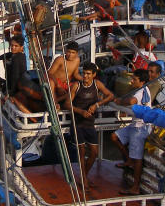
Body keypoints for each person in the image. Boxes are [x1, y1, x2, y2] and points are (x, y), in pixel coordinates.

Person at [64, 61, 114, 191]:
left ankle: (84, 176)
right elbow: (68, 104)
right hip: (78, 123)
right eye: (83, 73)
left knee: (94, 152)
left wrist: (97, 105)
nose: (85, 76)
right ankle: (84, 179)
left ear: (94, 75)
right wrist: (81, 112)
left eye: (88, 74)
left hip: (90, 123)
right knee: (81, 152)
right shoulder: (76, 85)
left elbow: (110, 95)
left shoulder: (97, 85)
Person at [111, 69, 153, 195]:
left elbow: (131, 102)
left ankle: (135, 187)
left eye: (134, 79)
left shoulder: (140, 92)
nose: (132, 81)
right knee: (114, 136)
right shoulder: (143, 90)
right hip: (135, 124)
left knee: (137, 157)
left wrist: (119, 102)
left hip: (140, 128)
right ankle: (129, 160)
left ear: (142, 81)